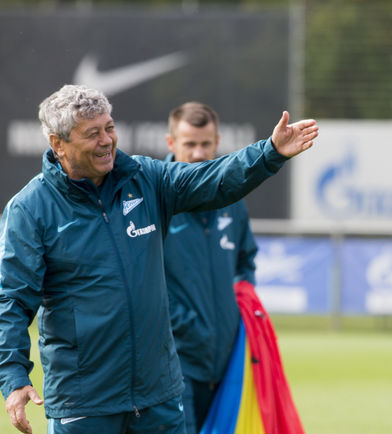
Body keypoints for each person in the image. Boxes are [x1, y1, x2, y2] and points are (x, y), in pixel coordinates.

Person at [0, 84, 317, 434]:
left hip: (158, 397)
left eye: (109, 128)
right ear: (58, 143)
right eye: (92, 134)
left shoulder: (146, 178)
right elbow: (11, 300)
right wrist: (14, 377)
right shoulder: (30, 209)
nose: (106, 140)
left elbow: (212, 178)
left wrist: (269, 153)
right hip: (85, 403)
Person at [161, 102, 254, 432]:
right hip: (174, 363)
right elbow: (139, 280)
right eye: (190, 144)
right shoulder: (154, 201)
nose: (199, 153)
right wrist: (184, 324)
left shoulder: (233, 201)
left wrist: (240, 308)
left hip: (227, 364)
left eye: (205, 144)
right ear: (171, 143)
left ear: (217, 142)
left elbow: (246, 261)